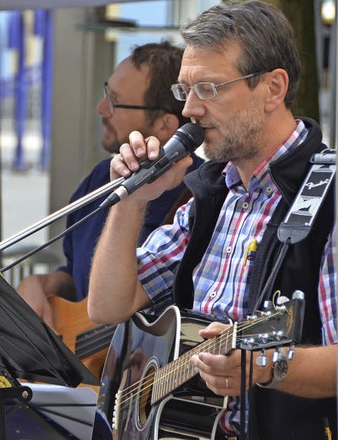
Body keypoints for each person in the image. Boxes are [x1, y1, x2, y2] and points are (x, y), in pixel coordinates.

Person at [88, 1, 336, 439]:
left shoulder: (329, 197)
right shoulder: (212, 194)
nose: (189, 111)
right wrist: (130, 201)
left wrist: (265, 366)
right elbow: (107, 305)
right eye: (186, 91)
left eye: (209, 88)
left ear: (273, 88)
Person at [17, 42, 203, 329]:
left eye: (115, 101)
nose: (101, 108)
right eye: (107, 94)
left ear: (166, 126)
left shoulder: (203, 196)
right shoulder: (100, 178)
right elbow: (76, 277)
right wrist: (40, 284)